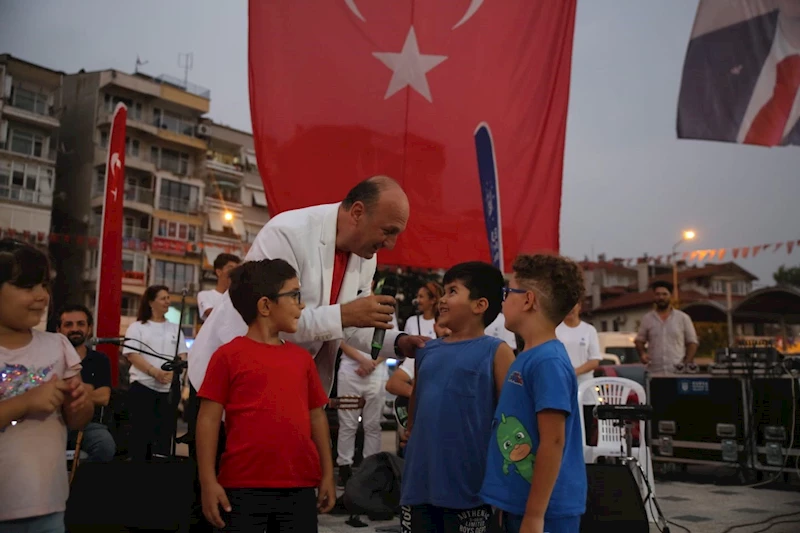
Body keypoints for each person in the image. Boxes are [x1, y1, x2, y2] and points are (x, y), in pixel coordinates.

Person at [188, 176, 427, 398]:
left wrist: (399, 343)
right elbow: (267, 321)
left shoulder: (365, 256)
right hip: (229, 382)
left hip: (287, 387)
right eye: (388, 231)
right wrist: (344, 315)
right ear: (357, 212)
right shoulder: (287, 233)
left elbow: (352, 327)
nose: (391, 244)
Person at [196, 259, 335, 532]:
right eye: (294, 295)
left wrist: (328, 474)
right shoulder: (226, 357)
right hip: (241, 488)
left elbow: (316, 417)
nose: (302, 304)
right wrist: (208, 482)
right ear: (265, 306)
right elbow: (208, 421)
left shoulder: (302, 359)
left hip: (300, 487)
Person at [400, 262, 516, 533]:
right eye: (443, 291)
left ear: (480, 305)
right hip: (419, 486)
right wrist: (411, 430)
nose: (442, 299)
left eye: (452, 291)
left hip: (470, 489)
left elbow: (509, 420)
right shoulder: (425, 352)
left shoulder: (497, 352)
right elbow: (416, 405)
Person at [480, 254, 587, 533]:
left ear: (527, 300)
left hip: (545, 512)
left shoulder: (547, 361)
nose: (503, 300)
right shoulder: (529, 354)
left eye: (507, 292)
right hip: (520, 504)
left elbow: (553, 441)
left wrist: (535, 516)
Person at [0, 239, 93, 532]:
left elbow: (77, 420)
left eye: (44, 285)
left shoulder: (57, 345)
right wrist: (26, 402)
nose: (42, 296)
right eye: (28, 287)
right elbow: (27, 405)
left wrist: (80, 403)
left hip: (48, 504)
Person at [122, 285, 187, 460]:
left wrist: (174, 373)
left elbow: (182, 355)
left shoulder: (175, 328)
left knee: (164, 440)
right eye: (163, 298)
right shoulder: (137, 327)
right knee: (140, 438)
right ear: (151, 302)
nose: (168, 301)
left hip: (168, 390)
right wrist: (154, 372)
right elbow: (132, 354)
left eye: (168, 297)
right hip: (143, 386)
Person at [57, 304, 116, 462]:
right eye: (68, 324)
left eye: (81, 324)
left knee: (105, 445)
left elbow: (104, 397)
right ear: (59, 330)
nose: (75, 329)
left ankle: (83, 485)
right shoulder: (50, 357)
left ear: (89, 329)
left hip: (89, 425)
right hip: (54, 421)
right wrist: (87, 391)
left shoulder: (100, 360)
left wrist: (65, 393)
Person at [335, 341, 388, 487]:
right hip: (350, 372)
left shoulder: (388, 317)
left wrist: (372, 363)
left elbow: (391, 342)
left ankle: (370, 468)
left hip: (376, 373)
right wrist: (362, 360)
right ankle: (344, 467)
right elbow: (340, 338)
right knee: (347, 424)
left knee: (373, 425)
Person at [635, 280, 699, 373]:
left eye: (664, 294)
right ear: (654, 296)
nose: (661, 297)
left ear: (670, 296)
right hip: (655, 371)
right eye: (658, 294)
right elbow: (639, 340)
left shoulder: (683, 318)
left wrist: (686, 363)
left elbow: (692, 343)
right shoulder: (647, 319)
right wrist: (642, 353)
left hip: (677, 371)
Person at [555, 302, 602, 385]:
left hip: (585, 384)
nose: (569, 309)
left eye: (572, 305)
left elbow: (594, 361)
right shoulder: (555, 330)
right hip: (562, 382)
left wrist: (574, 372)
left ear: (579, 306)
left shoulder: (589, 330)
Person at [197, 253, 241, 322]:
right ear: (218, 272)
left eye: (236, 269)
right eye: (230, 268)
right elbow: (211, 314)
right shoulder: (205, 295)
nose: (234, 272)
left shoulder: (239, 296)